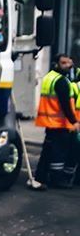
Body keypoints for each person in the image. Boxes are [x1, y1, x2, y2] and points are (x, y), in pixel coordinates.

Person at [34, 53, 80, 187]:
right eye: (64, 63)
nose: (67, 66)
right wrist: (74, 121)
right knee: (59, 153)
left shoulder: (49, 77)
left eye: (69, 63)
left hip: (50, 122)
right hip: (60, 123)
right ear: (56, 64)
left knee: (48, 150)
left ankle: (41, 176)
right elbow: (65, 104)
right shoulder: (61, 81)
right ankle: (57, 180)